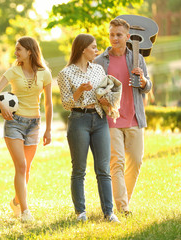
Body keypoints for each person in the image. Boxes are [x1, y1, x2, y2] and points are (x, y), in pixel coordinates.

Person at [57, 33, 119, 223]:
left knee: (103, 169)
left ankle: (109, 212)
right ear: (83, 49)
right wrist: (79, 91)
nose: (96, 50)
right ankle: (80, 213)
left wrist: (106, 100)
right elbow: (67, 104)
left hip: (99, 119)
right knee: (79, 169)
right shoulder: (65, 74)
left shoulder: (99, 70)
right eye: (93, 47)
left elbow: (104, 93)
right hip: (78, 120)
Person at [0, 36, 53, 222]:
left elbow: (48, 104)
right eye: (16, 49)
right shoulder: (13, 71)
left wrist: (48, 130)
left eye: (19, 49)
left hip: (34, 123)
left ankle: (17, 201)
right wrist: (3, 108)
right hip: (14, 123)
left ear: (30, 51)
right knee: (21, 166)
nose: (16, 52)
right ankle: (25, 211)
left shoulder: (45, 73)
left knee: (27, 169)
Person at [94, 18, 153, 216]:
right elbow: (95, 89)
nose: (114, 38)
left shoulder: (137, 58)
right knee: (116, 162)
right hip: (111, 119)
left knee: (136, 161)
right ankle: (122, 207)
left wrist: (143, 80)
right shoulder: (100, 61)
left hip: (134, 117)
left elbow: (147, 87)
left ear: (128, 37)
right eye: (112, 34)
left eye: (119, 35)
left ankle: (122, 199)